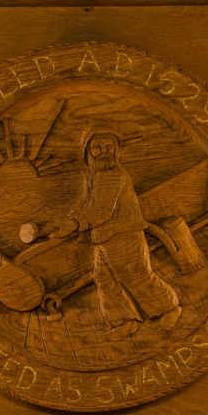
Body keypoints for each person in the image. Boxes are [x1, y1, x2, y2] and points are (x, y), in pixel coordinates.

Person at [50, 128, 182, 338]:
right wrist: (70, 219)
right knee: (105, 281)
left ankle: (170, 309)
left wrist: (74, 224)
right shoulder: (92, 175)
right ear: (88, 152)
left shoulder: (113, 175)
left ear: (117, 150)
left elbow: (102, 210)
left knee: (137, 275)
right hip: (103, 238)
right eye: (98, 148)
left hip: (124, 234)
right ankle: (123, 321)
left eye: (109, 147)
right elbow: (85, 202)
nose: (104, 151)